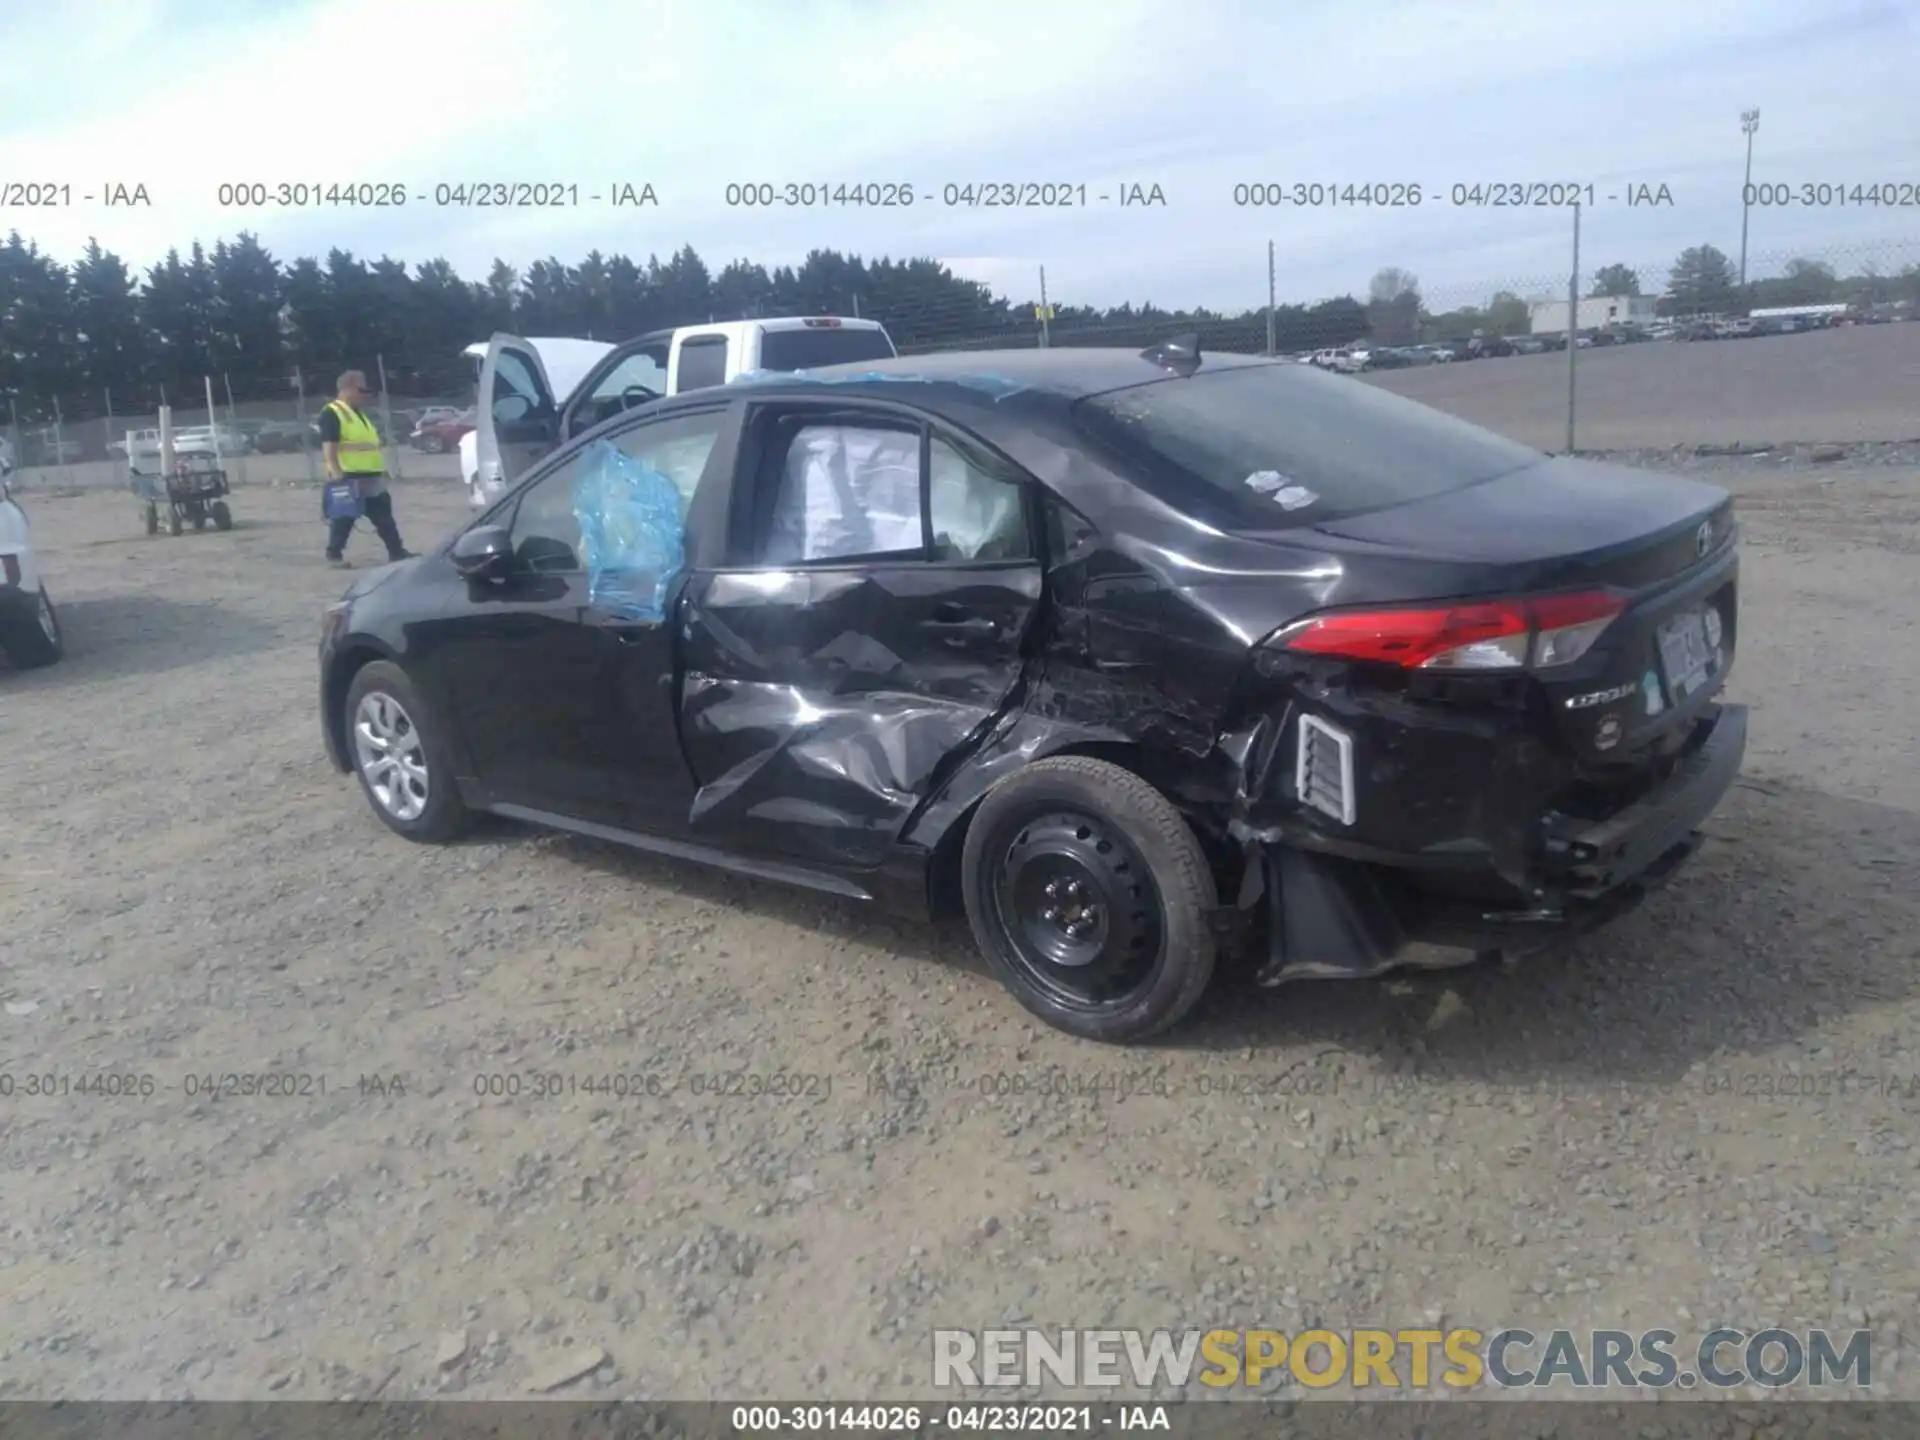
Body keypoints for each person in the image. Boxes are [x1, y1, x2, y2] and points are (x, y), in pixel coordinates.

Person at [317, 370, 412, 567]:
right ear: (347, 389)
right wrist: (336, 473)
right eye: (362, 390)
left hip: (370, 475)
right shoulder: (332, 413)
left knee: (383, 515)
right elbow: (329, 448)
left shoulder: (358, 414)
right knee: (344, 517)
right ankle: (334, 555)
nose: (366, 395)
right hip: (349, 475)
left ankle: (396, 551)